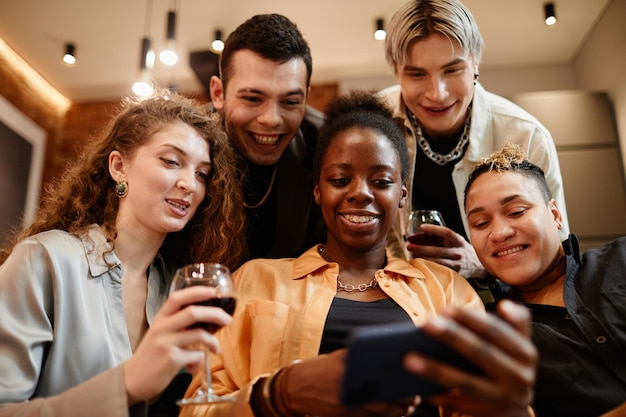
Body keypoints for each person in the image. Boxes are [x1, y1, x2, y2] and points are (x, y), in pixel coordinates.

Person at [180, 91, 537, 417]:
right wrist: (277, 395)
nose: (360, 194)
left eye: (381, 182)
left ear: (402, 194)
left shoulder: (444, 289)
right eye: (339, 180)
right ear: (317, 191)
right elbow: (197, 408)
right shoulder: (255, 280)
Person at [0, 92, 246, 416]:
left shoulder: (177, 285)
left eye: (202, 173)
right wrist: (126, 383)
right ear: (119, 166)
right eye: (172, 161)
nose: (190, 183)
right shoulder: (45, 260)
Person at [380, 0, 569, 280]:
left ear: (475, 62)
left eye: (452, 70)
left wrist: (481, 266)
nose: (438, 93)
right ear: (396, 71)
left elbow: (558, 255)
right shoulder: (373, 125)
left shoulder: (526, 135)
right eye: (417, 74)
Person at [464, 143, 626, 416]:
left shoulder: (621, 259)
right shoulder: (492, 340)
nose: (500, 232)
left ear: (555, 214)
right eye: (481, 223)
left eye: (516, 212)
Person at [209, 13, 326, 261]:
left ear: (305, 98)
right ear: (218, 93)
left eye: (290, 102)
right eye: (253, 99)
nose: (271, 119)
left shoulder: (326, 148)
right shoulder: (186, 148)